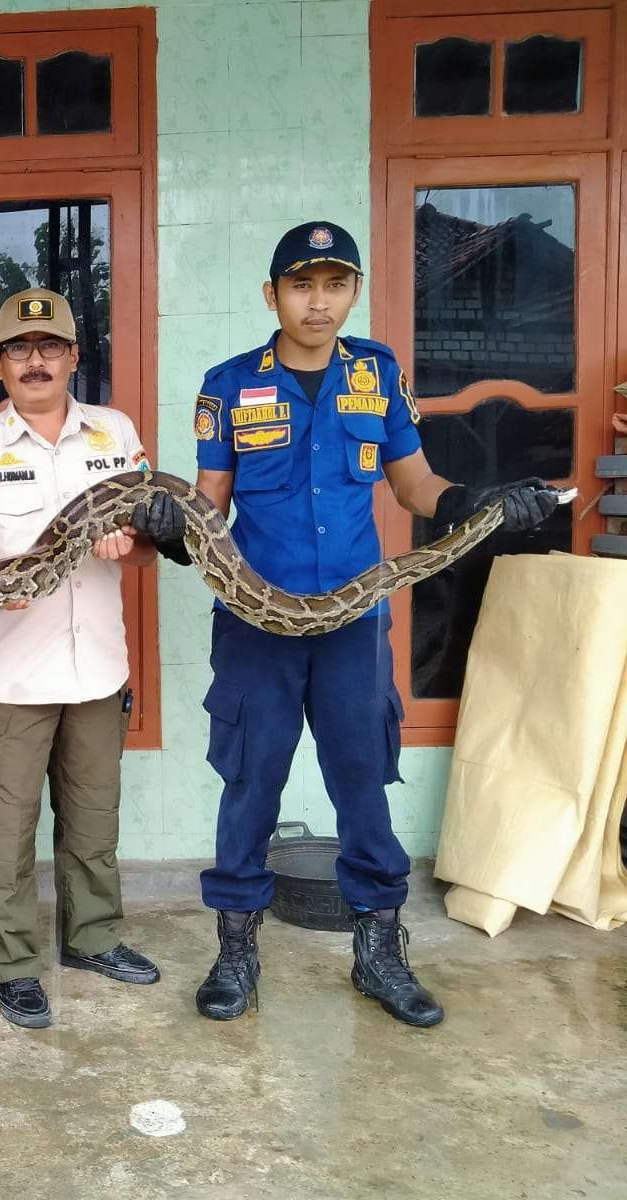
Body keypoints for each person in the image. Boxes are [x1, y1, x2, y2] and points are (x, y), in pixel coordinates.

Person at [149, 221, 561, 1028]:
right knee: (249, 785)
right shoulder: (229, 384)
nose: (319, 300)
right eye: (302, 285)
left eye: (335, 284)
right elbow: (209, 504)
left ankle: (378, 951)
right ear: (273, 296)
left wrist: (474, 503)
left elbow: (413, 485)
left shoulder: (376, 373)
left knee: (362, 787)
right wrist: (172, 528)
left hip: (353, 625)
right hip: (256, 625)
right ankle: (237, 950)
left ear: (354, 291)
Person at [0, 288, 161, 1030]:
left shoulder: (116, 433)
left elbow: (155, 544)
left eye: (50, 347)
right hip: (6, 676)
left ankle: (94, 938)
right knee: (4, 838)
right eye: (17, 350)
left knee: (95, 823)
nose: (35, 361)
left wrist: (131, 544)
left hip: (97, 669)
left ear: (73, 357)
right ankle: (14, 965)